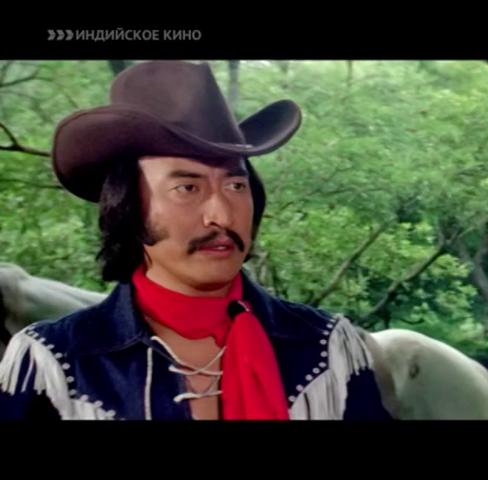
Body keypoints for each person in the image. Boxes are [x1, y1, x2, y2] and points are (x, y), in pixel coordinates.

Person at [0, 60, 391, 420]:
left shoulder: (326, 349)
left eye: (236, 185)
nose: (222, 215)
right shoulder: (53, 363)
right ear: (128, 206)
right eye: (187, 188)